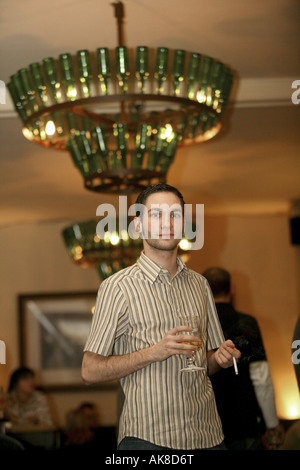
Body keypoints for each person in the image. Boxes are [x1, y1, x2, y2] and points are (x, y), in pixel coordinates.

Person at [81, 183, 240, 451]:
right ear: (139, 226)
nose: (167, 222)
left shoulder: (200, 285)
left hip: (209, 436)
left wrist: (218, 358)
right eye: (156, 214)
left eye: (175, 214)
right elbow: (89, 371)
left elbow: (205, 364)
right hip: (149, 440)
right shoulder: (117, 287)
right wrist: (155, 352)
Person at [202, 267, 283, 450]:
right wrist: (271, 424)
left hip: (207, 425)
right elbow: (261, 378)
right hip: (244, 422)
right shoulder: (246, 323)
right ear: (232, 290)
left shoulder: (198, 325)